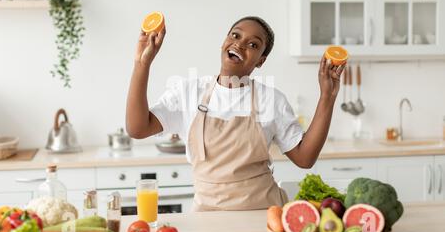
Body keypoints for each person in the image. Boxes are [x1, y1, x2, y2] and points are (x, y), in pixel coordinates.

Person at [126, 16, 346, 211]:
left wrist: (327, 96)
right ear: (224, 41)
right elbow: (138, 128)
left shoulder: (271, 100)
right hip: (207, 217)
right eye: (235, 35)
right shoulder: (189, 92)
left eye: (253, 44)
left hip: (264, 216)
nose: (239, 44)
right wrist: (142, 63)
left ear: (260, 61)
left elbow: (305, 158)